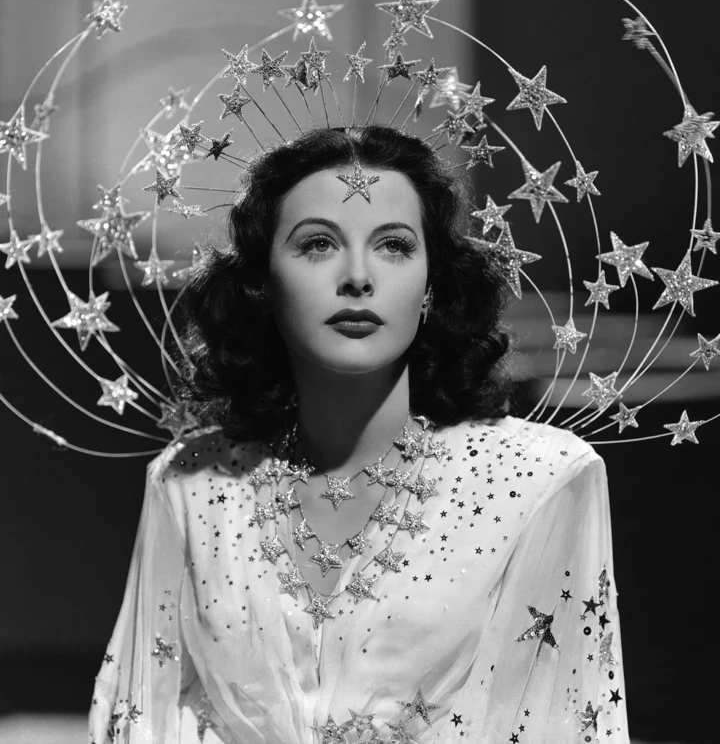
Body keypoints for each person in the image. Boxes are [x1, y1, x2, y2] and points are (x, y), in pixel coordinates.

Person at [88, 125, 630, 744]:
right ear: (262, 283)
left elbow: (563, 720)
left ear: (431, 285)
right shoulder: (193, 482)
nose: (357, 277)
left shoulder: (540, 481)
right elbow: (145, 715)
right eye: (318, 244)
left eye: (394, 246)